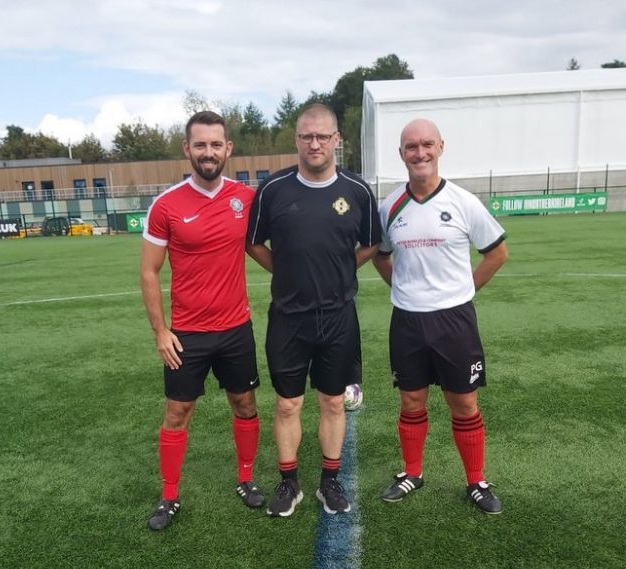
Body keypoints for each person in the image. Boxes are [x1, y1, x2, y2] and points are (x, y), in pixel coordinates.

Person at [247, 103, 381, 517]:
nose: (315, 143)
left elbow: (372, 243)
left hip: (338, 317)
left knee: (333, 403)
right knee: (287, 405)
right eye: (307, 136)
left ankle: (329, 482)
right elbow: (253, 243)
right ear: (296, 140)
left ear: (337, 140)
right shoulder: (273, 190)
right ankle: (289, 482)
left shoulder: (357, 191)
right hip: (288, 318)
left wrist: (341, 269)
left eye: (323, 136)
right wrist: (287, 271)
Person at [374, 118, 508, 514]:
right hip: (408, 320)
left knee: (463, 402)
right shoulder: (390, 206)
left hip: (455, 321)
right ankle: (412, 472)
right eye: (411, 147)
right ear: (401, 154)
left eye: (427, 144)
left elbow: (497, 252)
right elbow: (380, 255)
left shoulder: (464, 202)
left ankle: (475, 481)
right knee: (411, 400)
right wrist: (401, 286)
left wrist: (464, 290)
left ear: (440, 147)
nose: (420, 153)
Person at [141, 110, 264, 531]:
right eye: (200, 145)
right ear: (187, 149)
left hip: (235, 329)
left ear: (228, 149)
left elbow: (260, 250)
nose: (208, 153)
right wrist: (160, 331)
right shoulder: (167, 205)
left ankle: (246, 478)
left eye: (216, 145)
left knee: (244, 404)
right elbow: (148, 272)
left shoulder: (245, 199)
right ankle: (170, 495)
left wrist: (300, 275)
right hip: (187, 334)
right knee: (177, 412)